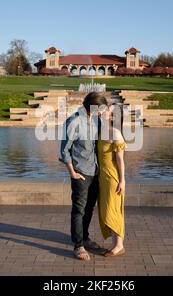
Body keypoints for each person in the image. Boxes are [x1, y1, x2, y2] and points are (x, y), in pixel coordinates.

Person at [59, 92, 108, 261]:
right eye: (100, 107)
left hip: (95, 171)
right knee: (79, 209)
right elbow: (64, 150)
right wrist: (72, 172)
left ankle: (85, 237)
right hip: (80, 172)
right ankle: (78, 245)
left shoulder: (97, 120)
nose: (101, 111)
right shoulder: (74, 121)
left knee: (89, 208)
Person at [97, 104, 127, 257]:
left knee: (113, 209)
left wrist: (122, 181)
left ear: (112, 117)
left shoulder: (115, 133)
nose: (103, 110)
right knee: (105, 209)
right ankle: (115, 244)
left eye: (107, 110)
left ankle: (119, 246)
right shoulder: (100, 131)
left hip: (112, 178)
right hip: (102, 177)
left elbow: (120, 160)